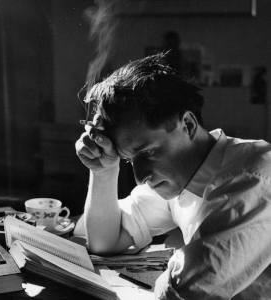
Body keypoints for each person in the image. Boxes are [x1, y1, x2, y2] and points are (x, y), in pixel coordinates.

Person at [75, 52, 271, 299]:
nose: (139, 177)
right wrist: (104, 171)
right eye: (129, 160)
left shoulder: (254, 178)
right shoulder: (184, 177)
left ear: (187, 125)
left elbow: (181, 293)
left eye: (147, 152)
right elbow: (105, 242)